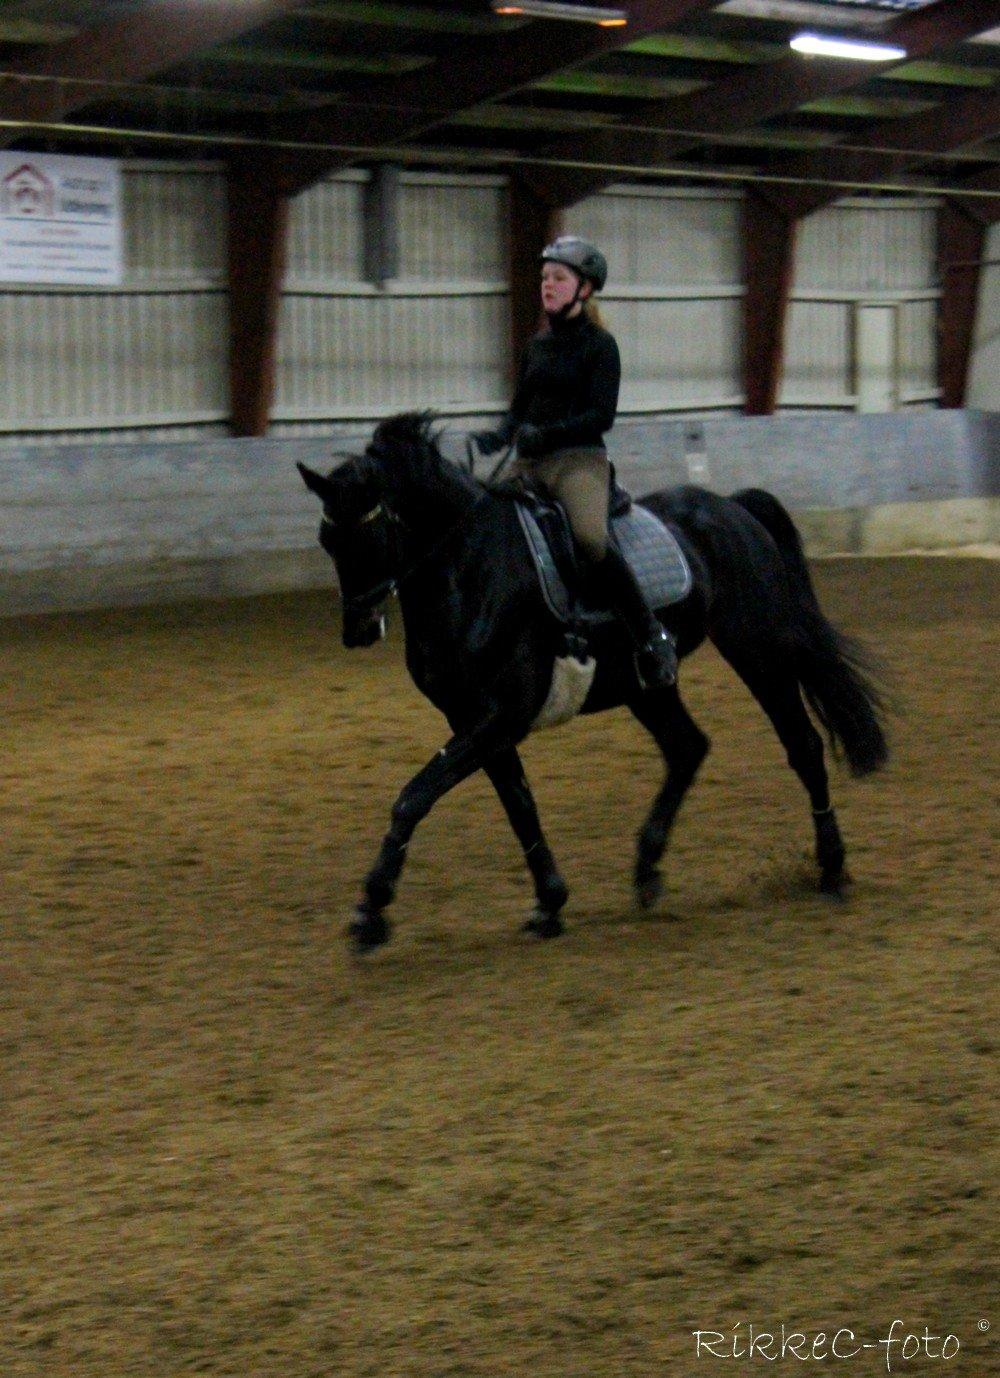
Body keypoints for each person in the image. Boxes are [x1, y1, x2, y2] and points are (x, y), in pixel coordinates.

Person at [473, 234, 677, 689]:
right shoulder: (538, 346)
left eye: (558, 278)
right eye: (545, 277)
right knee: (485, 519)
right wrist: (500, 435)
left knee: (588, 537)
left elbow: (600, 416)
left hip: (578, 461)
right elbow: (520, 406)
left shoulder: (601, 347)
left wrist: (545, 433)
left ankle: (650, 633)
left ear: (584, 289)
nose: (547, 285)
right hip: (530, 462)